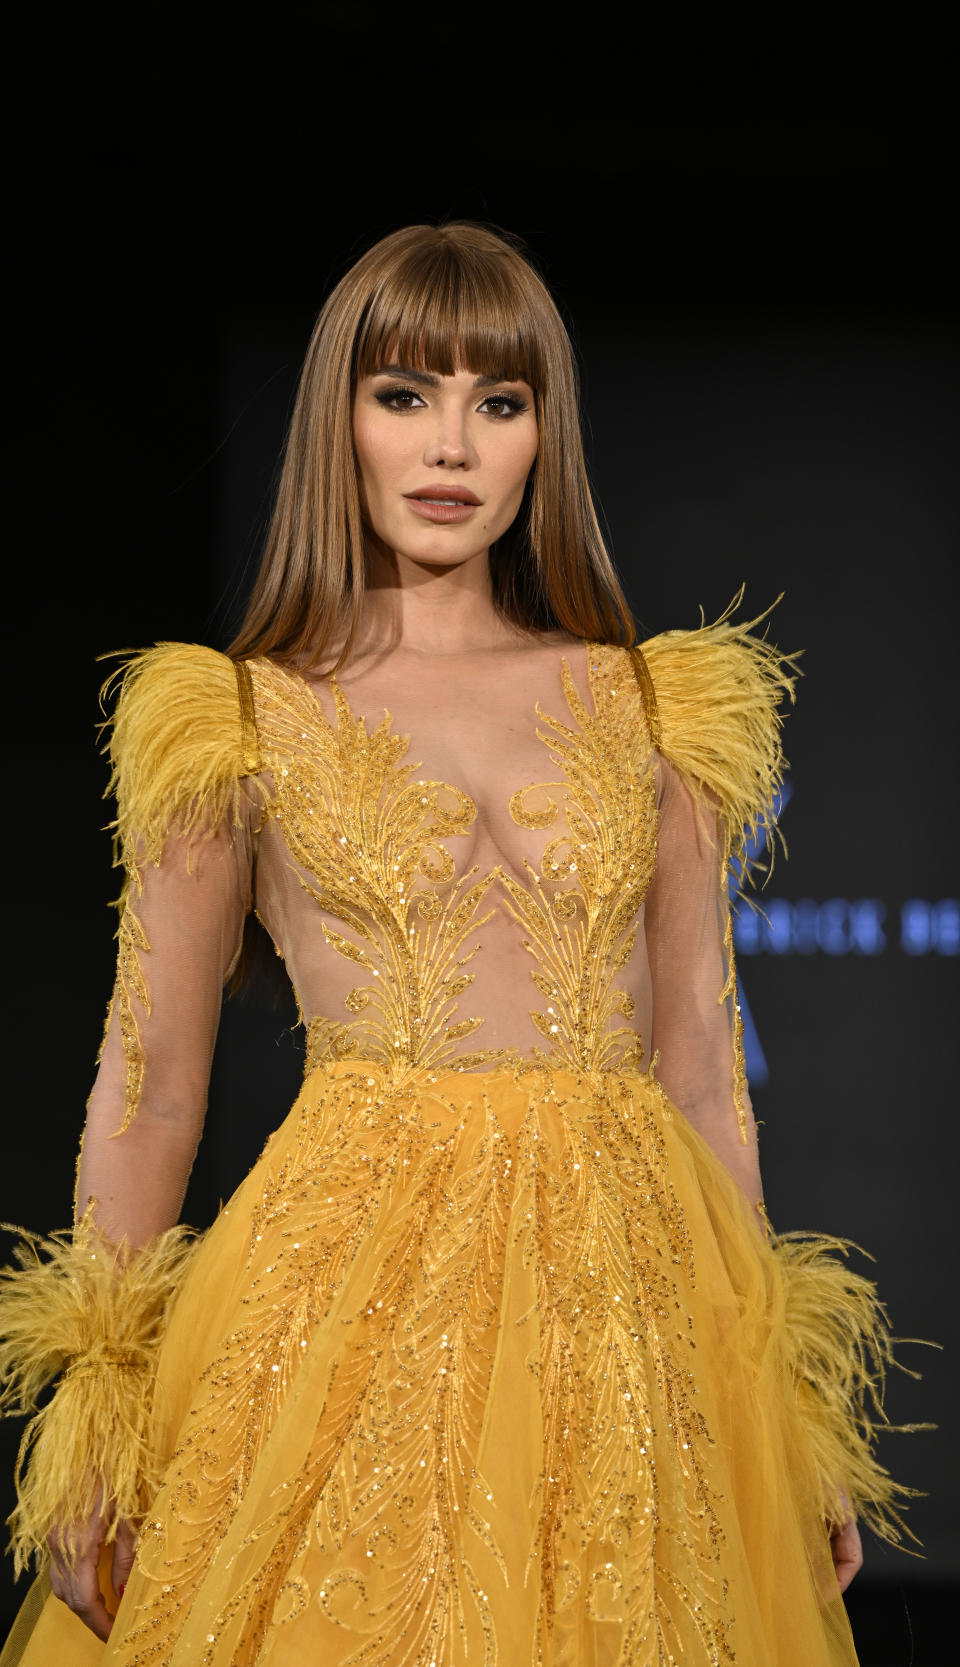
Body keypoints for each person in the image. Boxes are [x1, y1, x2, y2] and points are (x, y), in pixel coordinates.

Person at [0, 222, 912, 1666]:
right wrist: (97, 1415)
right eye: (404, 393)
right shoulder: (234, 720)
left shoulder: (651, 709)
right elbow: (152, 1086)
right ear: (340, 422)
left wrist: (786, 1415)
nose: (451, 444)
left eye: (498, 402)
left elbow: (699, 1070)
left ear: (542, 437)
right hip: (339, 1305)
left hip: (630, 1308)